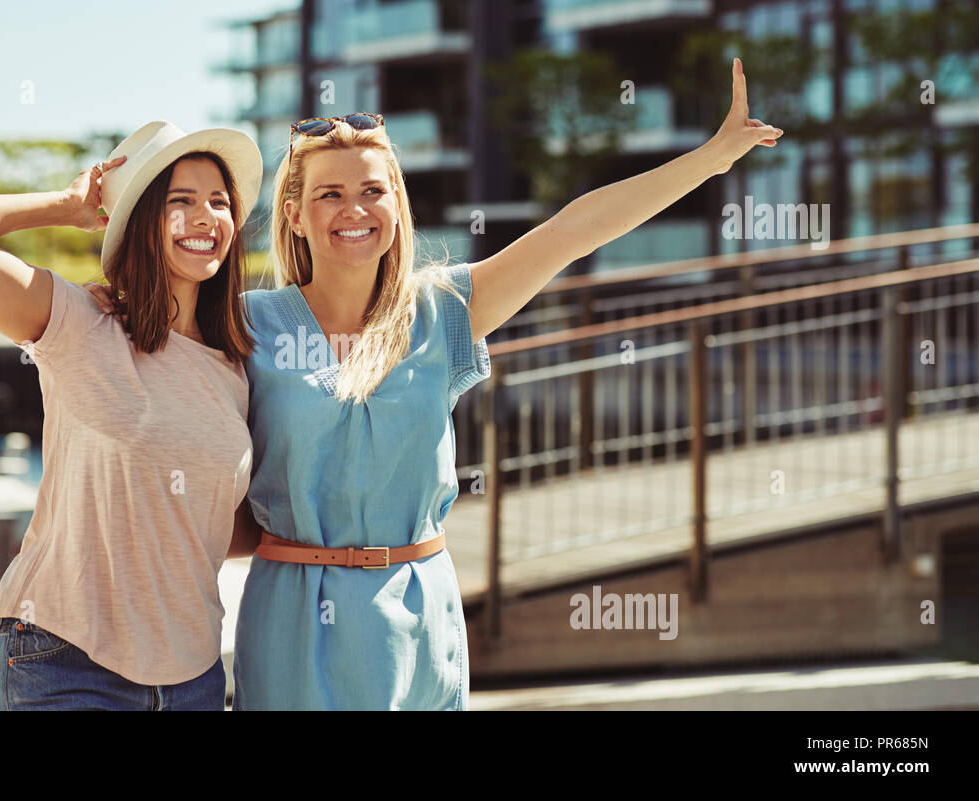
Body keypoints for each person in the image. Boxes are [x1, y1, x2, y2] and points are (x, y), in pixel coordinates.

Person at [90, 60, 780, 710]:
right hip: (292, 617)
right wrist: (87, 210)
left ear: (395, 205)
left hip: (419, 614)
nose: (352, 209)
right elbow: (140, 319)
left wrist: (714, 157)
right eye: (329, 193)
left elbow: (574, 230)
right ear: (294, 214)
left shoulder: (444, 311)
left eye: (371, 190)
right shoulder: (244, 324)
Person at [0, 120, 264, 710]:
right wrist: (68, 205)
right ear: (141, 222)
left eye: (219, 202)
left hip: (194, 677)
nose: (206, 217)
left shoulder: (235, 366)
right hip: (68, 663)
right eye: (180, 201)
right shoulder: (82, 323)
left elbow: (216, 525)